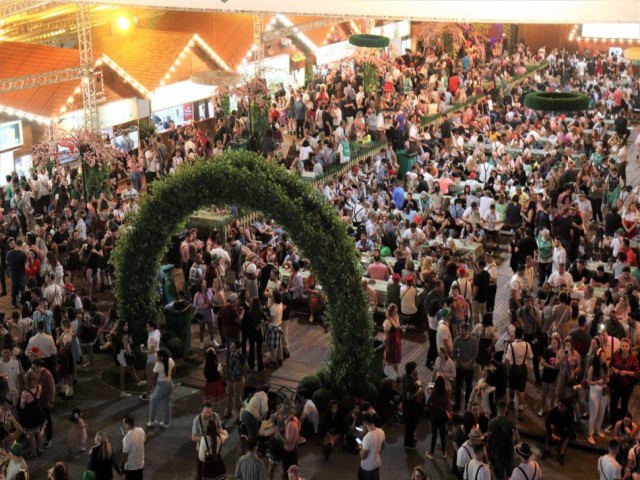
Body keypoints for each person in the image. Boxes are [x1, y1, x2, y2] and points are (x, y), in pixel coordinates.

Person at [487, 400, 518, 480]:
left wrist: (489, 455)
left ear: (497, 408)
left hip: (497, 453)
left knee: (499, 476)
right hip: (509, 452)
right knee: (510, 475)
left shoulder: (491, 423)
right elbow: (517, 438)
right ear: (505, 409)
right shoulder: (511, 422)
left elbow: (489, 441)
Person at [113, 321, 144, 398]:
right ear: (122, 327)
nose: (127, 327)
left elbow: (128, 344)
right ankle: (123, 391)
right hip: (124, 355)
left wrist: (130, 342)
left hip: (122, 354)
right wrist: (130, 353)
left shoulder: (123, 335)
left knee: (132, 369)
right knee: (123, 373)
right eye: (125, 326)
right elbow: (127, 347)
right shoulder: (123, 335)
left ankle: (138, 381)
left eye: (127, 325)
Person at [453, 323, 478, 412]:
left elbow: (475, 355)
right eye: (460, 330)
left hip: (469, 368)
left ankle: (468, 404)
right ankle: (457, 404)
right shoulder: (456, 340)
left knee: (468, 386)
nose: (460, 332)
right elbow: (454, 354)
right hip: (459, 367)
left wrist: (467, 363)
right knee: (458, 386)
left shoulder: (474, 341)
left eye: (462, 331)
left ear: (468, 331)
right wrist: (462, 363)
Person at [587, 347, 610, 445]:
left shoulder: (605, 366)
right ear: (598, 356)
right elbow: (588, 382)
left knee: (602, 411)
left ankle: (597, 429)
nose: (604, 358)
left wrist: (607, 380)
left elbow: (608, 378)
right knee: (594, 412)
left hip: (604, 390)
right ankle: (590, 434)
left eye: (605, 356)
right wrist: (597, 381)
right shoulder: (592, 367)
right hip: (595, 390)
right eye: (602, 356)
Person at [147, 348, 174, 429]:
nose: (156, 357)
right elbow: (174, 370)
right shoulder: (170, 360)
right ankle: (166, 423)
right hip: (170, 383)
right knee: (166, 403)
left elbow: (153, 377)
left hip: (161, 385)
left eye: (157, 356)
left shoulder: (158, 364)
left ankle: (152, 421)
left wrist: (153, 387)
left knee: (152, 400)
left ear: (161, 357)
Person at [543, 399, 575, 465]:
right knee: (549, 429)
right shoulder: (554, 411)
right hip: (555, 428)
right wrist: (552, 434)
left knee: (568, 437)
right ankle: (546, 449)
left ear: (566, 408)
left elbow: (570, 427)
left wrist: (560, 437)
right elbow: (547, 422)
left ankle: (561, 454)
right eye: (559, 405)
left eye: (562, 406)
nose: (559, 407)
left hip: (564, 430)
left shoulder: (570, 413)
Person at [402, 361, 423, 450]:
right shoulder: (410, 383)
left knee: (412, 424)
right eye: (415, 369)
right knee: (410, 425)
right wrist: (419, 391)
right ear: (412, 370)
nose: (416, 370)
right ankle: (408, 443)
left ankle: (411, 439)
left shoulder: (406, 377)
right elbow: (409, 397)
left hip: (408, 406)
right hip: (410, 407)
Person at [358, 412, 385, 480]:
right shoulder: (381, 431)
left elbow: (363, 456)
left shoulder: (367, 437)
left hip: (367, 467)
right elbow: (383, 446)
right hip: (377, 463)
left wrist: (360, 446)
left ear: (364, 423)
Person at [224, 340, 246, 419]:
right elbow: (228, 365)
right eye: (231, 346)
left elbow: (245, 367)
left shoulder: (240, 356)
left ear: (237, 348)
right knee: (229, 395)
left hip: (238, 380)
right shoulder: (229, 353)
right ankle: (228, 411)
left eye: (233, 346)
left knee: (237, 398)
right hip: (230, 378)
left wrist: (241, 377)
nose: (230, 347)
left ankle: (241, 415)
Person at [139, 321, 161, 401]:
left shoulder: (152, 337)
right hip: (157, 358)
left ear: (152, 327)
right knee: (155, 377)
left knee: (149, 377)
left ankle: (148, 395)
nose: (146, 328)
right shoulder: (157, 332)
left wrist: (143, 350)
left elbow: (151, 351)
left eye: (147, 326)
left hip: (151, 359)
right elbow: (154, 348)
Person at [121, 415, 145, 480]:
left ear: (127, 424)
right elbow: (142, 440)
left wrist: (122, 466)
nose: (124, 425)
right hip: (141, 464)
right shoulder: (141, 430)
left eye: (124, 423)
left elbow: (125, 455)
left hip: (131, 467)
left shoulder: (127, 438)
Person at [383, 304, 403, 380]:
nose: (396, 313)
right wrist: (386, 345)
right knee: (390, 357)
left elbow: (398, 328)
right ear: (391, 312)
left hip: (396, 341)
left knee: (389, 357)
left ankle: (381, 371)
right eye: (394, 311)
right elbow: (386, 335)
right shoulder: (387, 322)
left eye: (396, 311)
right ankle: (398, 374)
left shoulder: (396, 317)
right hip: (391, 342)